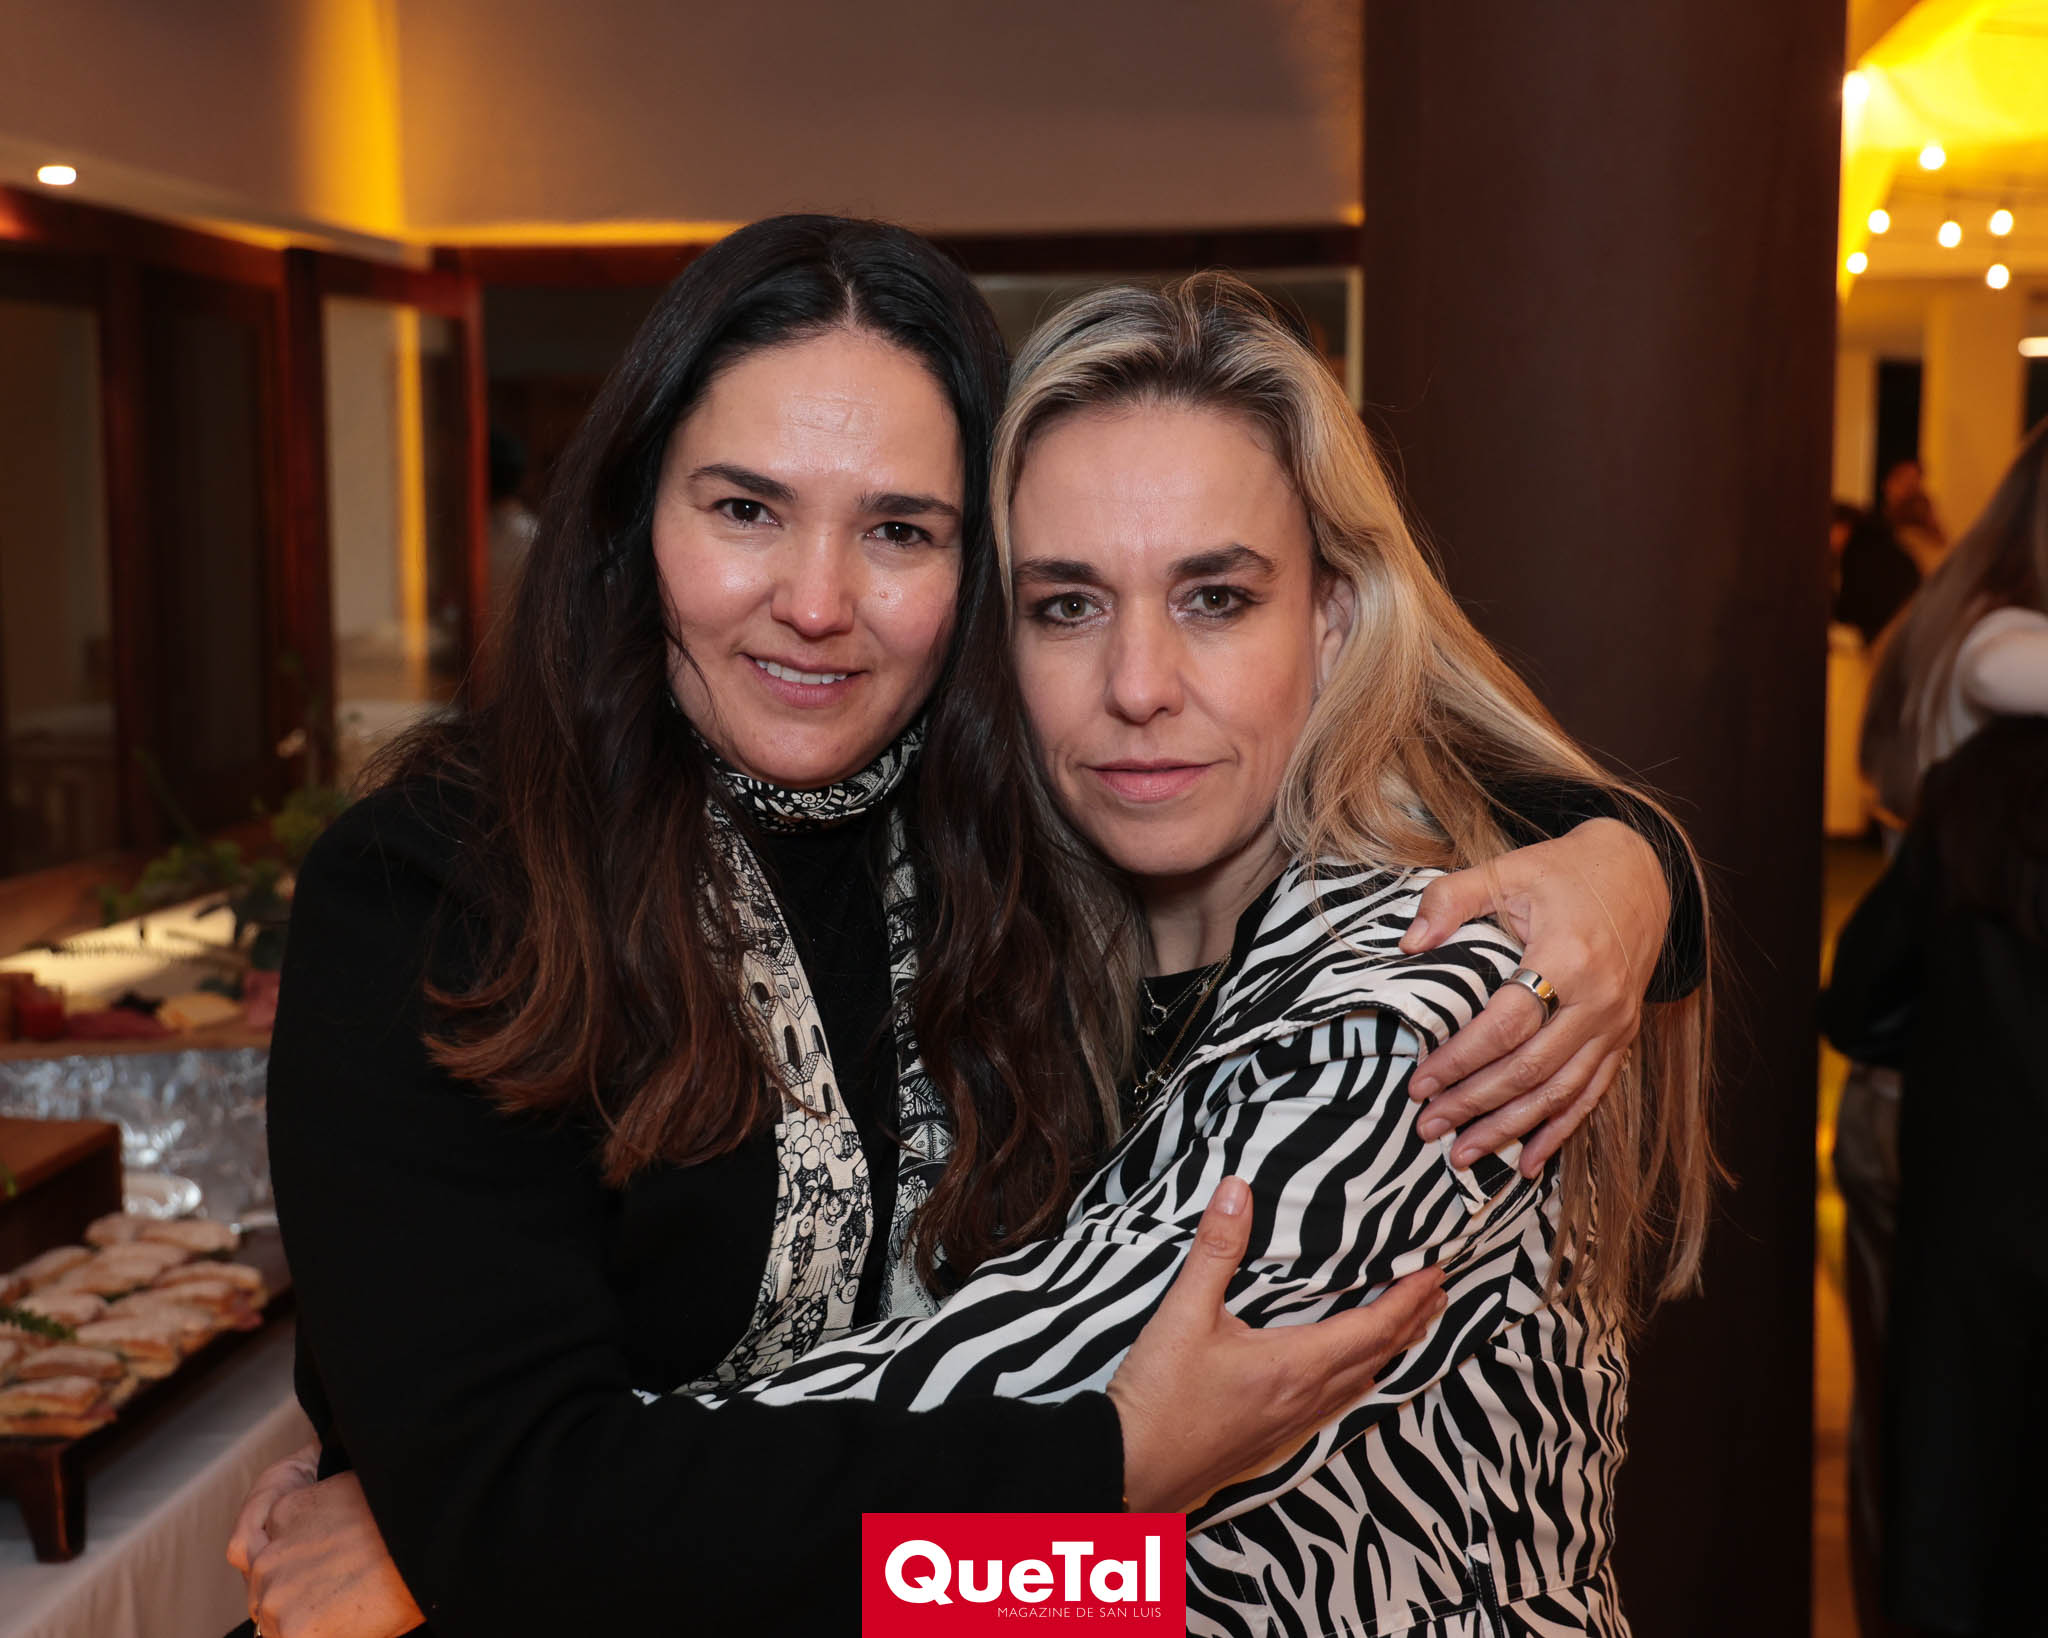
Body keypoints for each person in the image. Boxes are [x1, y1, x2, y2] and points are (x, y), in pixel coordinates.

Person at [233, 223, 1702, 1635]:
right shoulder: (447, 885)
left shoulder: (1011, 863)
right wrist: (505, 1532)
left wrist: (1627, 868)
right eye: (745, 509)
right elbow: (1131, 1570)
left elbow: (1174, 1577)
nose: (818, 602)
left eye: (899, 530)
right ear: (632, 517)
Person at [1835, 416, 2048, 1634]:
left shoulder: (1959, 615)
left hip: (1951, 1071)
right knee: (1932, 1446)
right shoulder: (1994, 648)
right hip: (1940, 1083)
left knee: (1936, 1443)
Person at [1831, 500, 1920, 648]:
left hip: (1888, 633)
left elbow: (1855, 604)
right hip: (1907, 628)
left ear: (1844, 526)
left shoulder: (1859, 553)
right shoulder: (1881, 542)